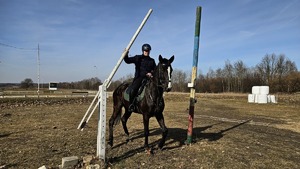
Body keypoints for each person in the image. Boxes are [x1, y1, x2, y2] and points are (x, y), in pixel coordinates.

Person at [124, 43, 156, 111]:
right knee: (133, 89)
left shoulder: (152, 60)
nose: (147, 52)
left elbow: (155, 70)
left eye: (148, 51)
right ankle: (131, 105)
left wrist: (151, 73)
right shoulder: (137, 58)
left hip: (149, 79)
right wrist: (125, 54)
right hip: (139, 78)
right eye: (145, 51)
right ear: (143, 51)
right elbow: (127, 60)